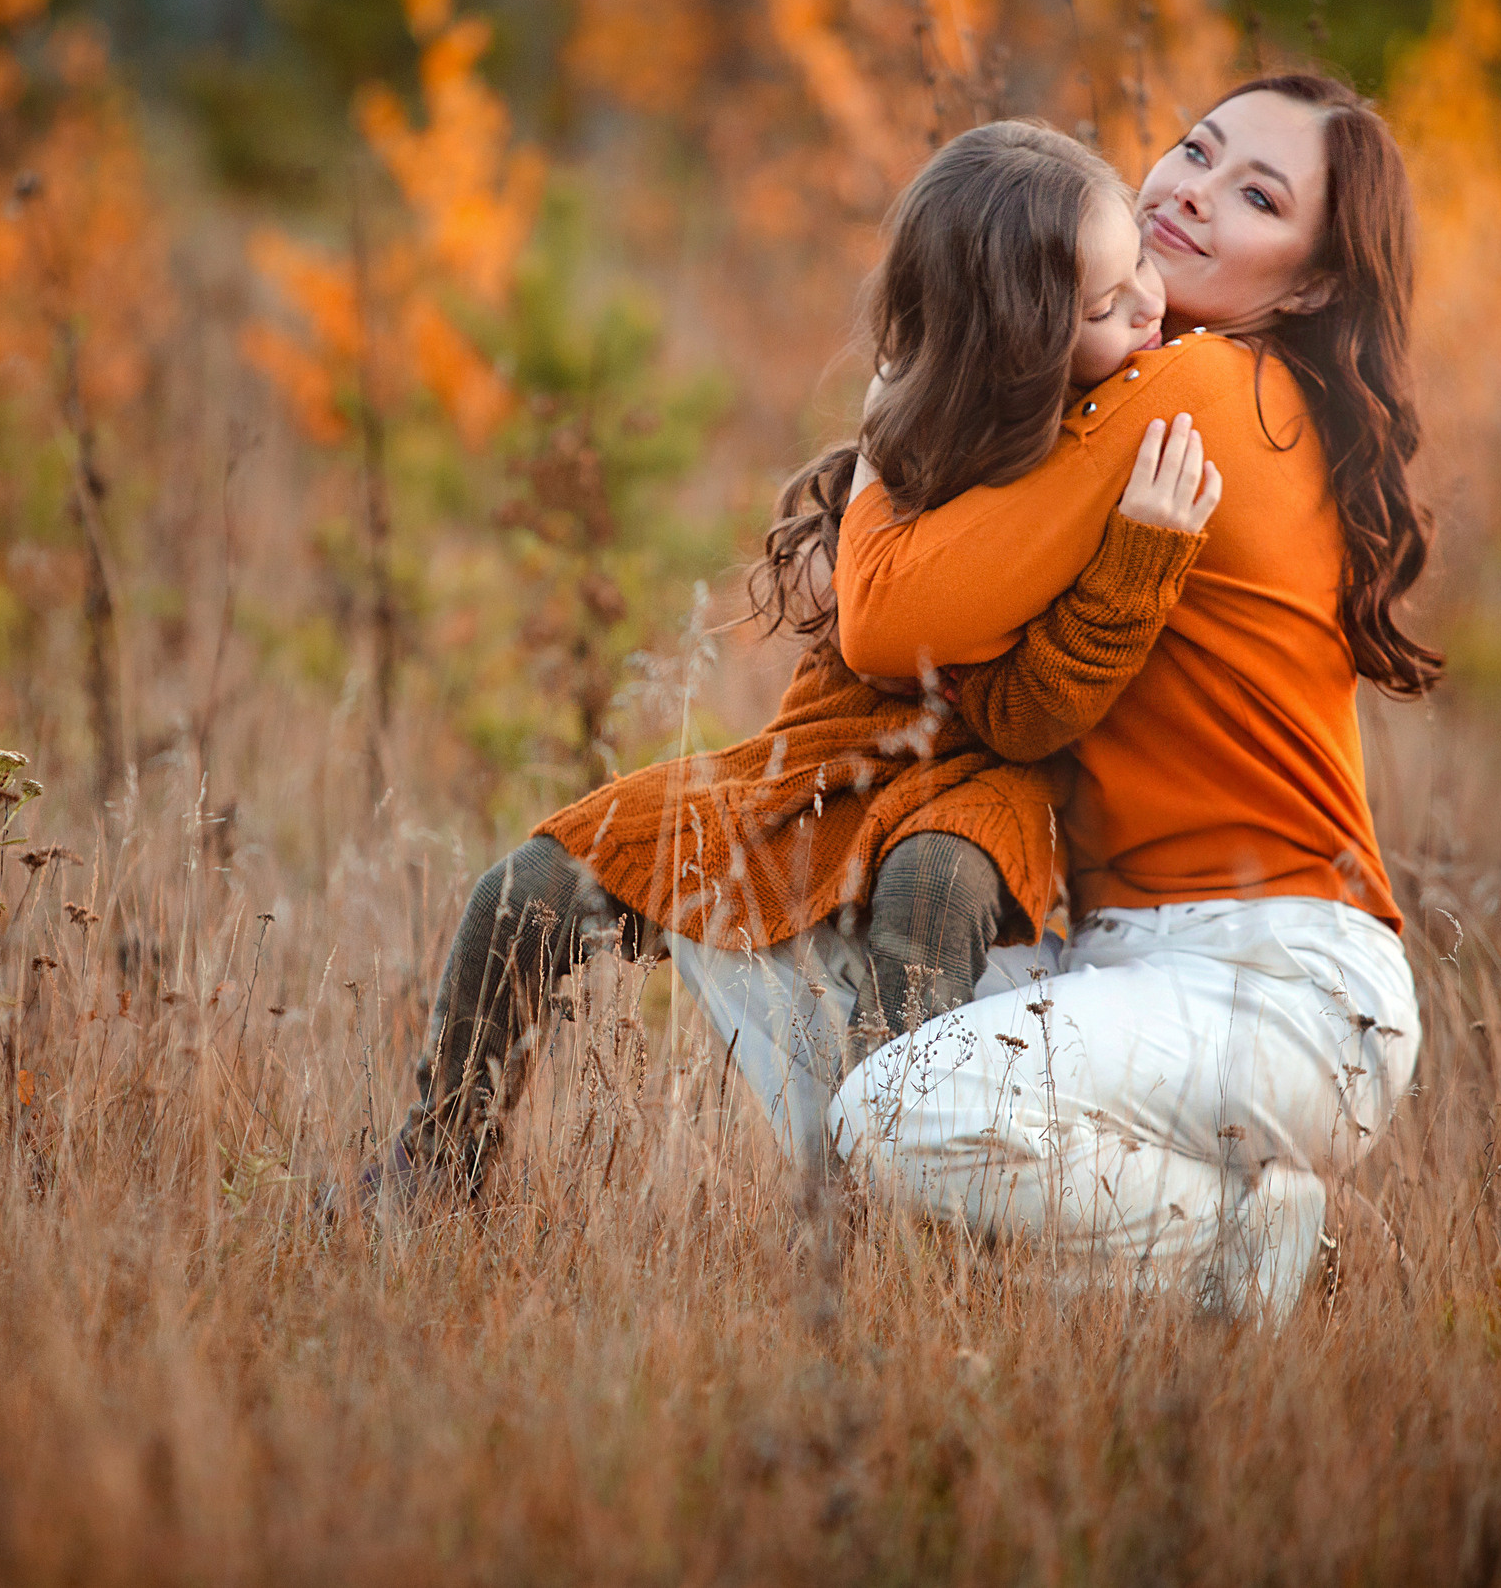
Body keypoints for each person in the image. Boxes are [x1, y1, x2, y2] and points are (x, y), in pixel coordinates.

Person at [368, 118, 1223, 1196]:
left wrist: (1135, 560)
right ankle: (433, 1162)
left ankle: (878, 1209)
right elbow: (861, 632)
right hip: (827, 762)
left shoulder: (1116, 447)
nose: (1150, 301)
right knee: (529, 883)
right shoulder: (912, 434)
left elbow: (1027, 720)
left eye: (1137, 267)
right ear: (1009, 347)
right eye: (1104, 305)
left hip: (983, 784)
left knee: (931, 894)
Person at [825, 73, 1440, 1317]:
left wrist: (902, 386)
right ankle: (1099, 1296)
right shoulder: (1214, 385)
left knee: (895, 1105)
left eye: (1256, 196)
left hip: (1275, 989)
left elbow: (887, 615)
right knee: (834, 1014)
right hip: (1143, 968)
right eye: (1194, 150)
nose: (1192, 195)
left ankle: (1255, 1251)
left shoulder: (1202, 388)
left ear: (1314, 282)